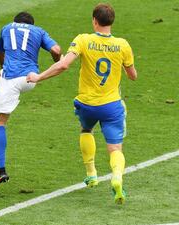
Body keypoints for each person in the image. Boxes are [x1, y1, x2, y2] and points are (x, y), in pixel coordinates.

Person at [27, 3, 137, 204]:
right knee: (115, 148)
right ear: (111, 21)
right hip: (111, 105)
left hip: (86, 104)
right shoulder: (123, 44)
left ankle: (91, 173)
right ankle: (117, 178)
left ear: (95, 20)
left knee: (86, 129)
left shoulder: (83, 40)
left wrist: (38, 77)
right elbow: (132, 76)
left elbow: (63, 65)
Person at [0, 12, 62, 191]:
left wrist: (6, 69)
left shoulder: (6, 28)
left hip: (13, 79)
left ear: (15, 22)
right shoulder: (39, 31)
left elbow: (0, 54)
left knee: (0, 122)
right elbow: (56, 50)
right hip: (31, 78)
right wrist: (58, 62)